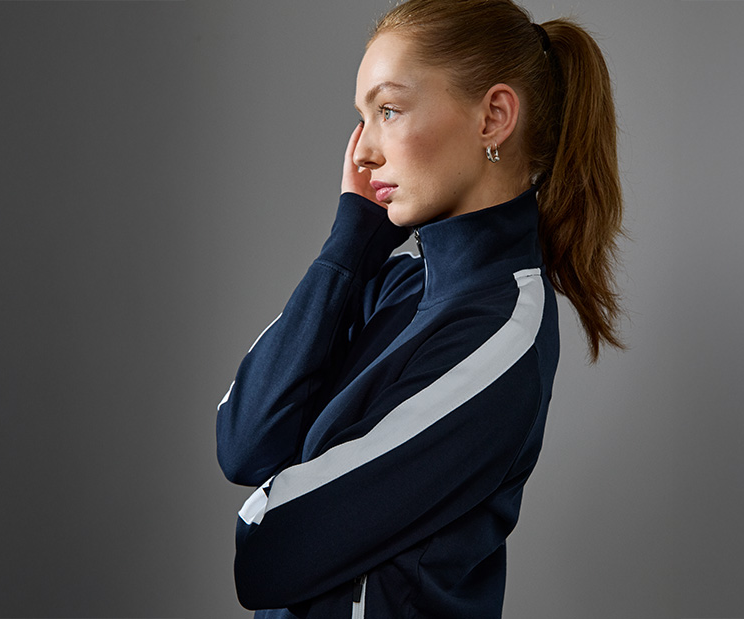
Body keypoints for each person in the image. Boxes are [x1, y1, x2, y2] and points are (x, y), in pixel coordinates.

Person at [216, 0, 623, 616]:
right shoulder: (392, 285)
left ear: (493, 117)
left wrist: (287, 488)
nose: (362, 153)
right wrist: (349, 246)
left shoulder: (500, 334)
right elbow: (244, 442)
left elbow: (267, 552)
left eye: (388, 110)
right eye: (361, 119)